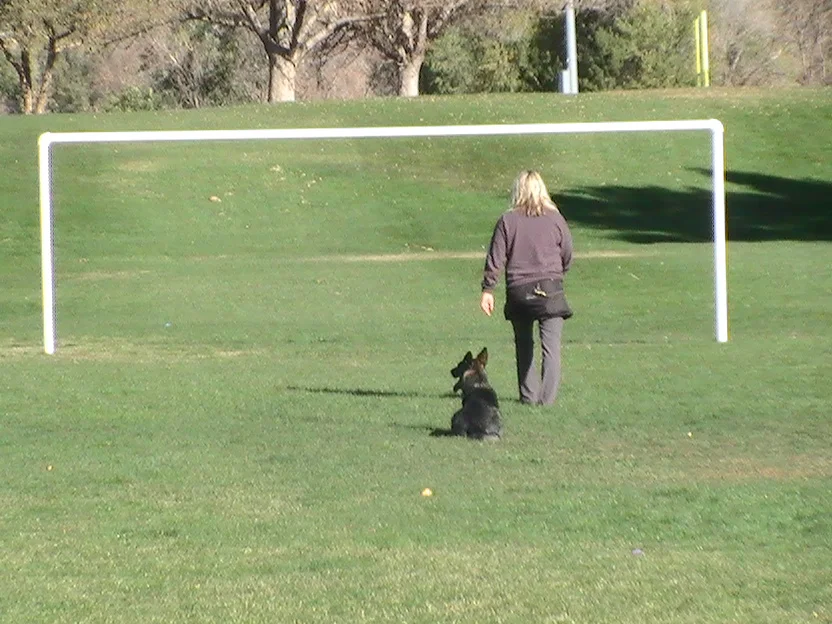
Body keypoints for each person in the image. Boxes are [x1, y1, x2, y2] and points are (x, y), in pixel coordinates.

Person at [480, 170, 573, 406]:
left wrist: (488, 289)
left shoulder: (507, 221)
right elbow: (567, 252)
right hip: (551, 290)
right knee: (551, 348)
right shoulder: (555, 219)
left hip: (519, 290)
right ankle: (547, 400)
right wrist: (558, 273)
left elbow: (496, 257)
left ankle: (528, 396)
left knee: (524, 344)